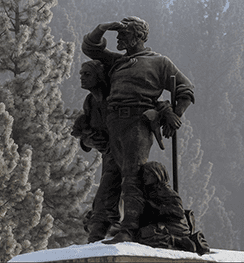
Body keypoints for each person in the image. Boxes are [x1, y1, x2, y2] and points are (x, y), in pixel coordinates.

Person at [82, 16, 195, 244]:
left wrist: (174, 114)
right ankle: (97, 231)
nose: (119, 38)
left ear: (138, 36)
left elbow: (185, 88)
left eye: (123, 34)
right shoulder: (117, 61)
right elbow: (90, 48)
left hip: (138, 122)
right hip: (114, 124)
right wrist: (103, 27)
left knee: (132, 175)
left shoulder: (158, 62)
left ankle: (129, 228)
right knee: (110, 177)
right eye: (118, 35)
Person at [71, 60, 122, 243]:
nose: (82, 78)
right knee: (109, 197)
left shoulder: (115, 99)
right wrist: (88, 139)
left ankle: (95, 239)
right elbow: (85, 136)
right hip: (107, 158)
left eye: (87, 74)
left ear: (99, 77)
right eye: (81, 74)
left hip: (122, 157)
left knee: (105, 197)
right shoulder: (90, 102)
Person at [137, 162, 210, 256]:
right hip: (162, 224)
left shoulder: (166, 192)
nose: (145, 177)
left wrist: (158, 208)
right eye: (144, 174)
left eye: (148, 174)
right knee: (142, 234)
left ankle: (178, 241)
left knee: (146, 234)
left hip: (175, 226)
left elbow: (179, 212)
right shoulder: (150, 191)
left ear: (157, 175)